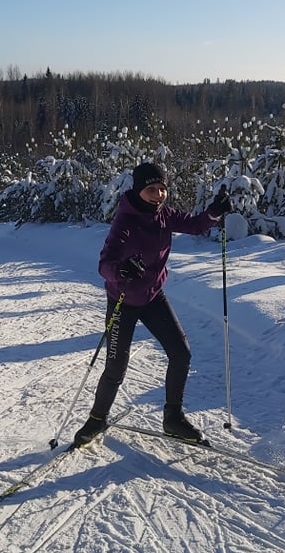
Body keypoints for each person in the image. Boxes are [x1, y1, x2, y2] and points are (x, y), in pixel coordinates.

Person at [73, 162, 232, 447]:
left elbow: (195, 225)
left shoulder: (165, 215)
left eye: (162, 189)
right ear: (138, 191)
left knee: (181, 353)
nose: (158, 195)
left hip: (152, 296)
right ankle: (97, 419)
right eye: (151, 189)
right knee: (116, 366)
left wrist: (214, 213)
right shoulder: (126, 221)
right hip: (123, 300)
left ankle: (173, 418)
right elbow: (104, 263)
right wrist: (120, 270)